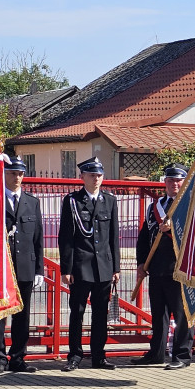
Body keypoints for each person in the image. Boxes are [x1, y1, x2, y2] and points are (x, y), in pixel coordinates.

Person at [58, 156, 120, 372]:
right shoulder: (72, 201)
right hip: (81, 267)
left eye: (99, 175)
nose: (96, 179)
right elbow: (65, 237)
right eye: (92, 175)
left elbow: (114, 237)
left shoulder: (110, 201)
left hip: (103, 266)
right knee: (77, 312)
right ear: (82, 177)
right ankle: (74, 355)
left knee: (101, 314)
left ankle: (98, 356)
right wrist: (66, 268)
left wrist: (116, 268)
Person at [133, 164, 194, 369]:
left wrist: (173, 229)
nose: (174, 184)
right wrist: (141, 263)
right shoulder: (155, 206)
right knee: (159, 315)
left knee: (182, 314)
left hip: (179, 269)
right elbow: (145, 236)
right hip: (156, 268)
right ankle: (156, 353)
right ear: (164, 182)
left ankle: (182, 355)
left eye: (178, 180)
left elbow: (194, 238)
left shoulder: (190, 207)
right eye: (170, 180)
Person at [0, 156, 44, 374]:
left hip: (25, 266)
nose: (17, 177)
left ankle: (18, 357)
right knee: (0, 315)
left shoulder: (32, 201)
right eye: (12, 173)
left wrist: (39, 269)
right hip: (2, 268)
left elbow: (38, 238)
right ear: (4, 174)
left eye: (20, 174)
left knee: (23, 315)